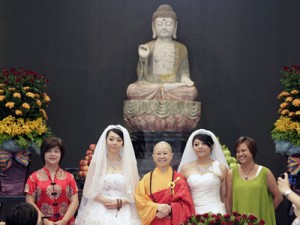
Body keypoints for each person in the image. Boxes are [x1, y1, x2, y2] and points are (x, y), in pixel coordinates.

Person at [126, 4, 197, 101]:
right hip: (152, 85)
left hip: (173, 85)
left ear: (175, 26)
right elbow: (141, 78)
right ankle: (163, 89)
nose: (164, 27)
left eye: (168, 24)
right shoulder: (148, 46)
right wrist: (143, 58)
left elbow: (184, 73)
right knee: (132, 90)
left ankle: (166, 89)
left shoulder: (181, 48)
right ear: (153, 26)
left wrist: (185, 79)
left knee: (192, 92)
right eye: (159, 24)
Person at [75, 125, 141, 225]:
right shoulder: (97, 163)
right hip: (99, 206)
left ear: (123, 143)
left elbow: (136, 191)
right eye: (111, 139)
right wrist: (105, 200)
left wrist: (121, 202)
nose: (115, 143)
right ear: (105, 141)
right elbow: (88, 189)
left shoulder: (129, 164)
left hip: (123, 208)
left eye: (119, 140)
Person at [135, 141, 195, 225]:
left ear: (171, 156)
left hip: (173, 221)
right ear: (153, 156)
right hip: (154, 221)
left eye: (165, 153)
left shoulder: (178, 179)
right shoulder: (146, 178)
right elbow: (139, 200)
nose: (162, 156)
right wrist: (157, 207)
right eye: (158, 153)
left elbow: (187, 204)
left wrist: (171, 209)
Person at [226, 136, 283, 225]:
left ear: (252, 151)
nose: (240, 154)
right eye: (238, 151)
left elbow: (278, 197)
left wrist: (266, 213)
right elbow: (228, 200)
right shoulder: (231, 173)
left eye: (243, 150)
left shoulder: (265, 172)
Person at [24, 137, 79, 225]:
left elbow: (75, 201)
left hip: (66, 222)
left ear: (61, 154)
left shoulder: (69, 177)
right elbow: (30, 202)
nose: (52, 154)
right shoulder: (33, 177)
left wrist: (64, 221)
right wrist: (44, 220)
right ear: (43, 154)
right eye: (49, 151)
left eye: (56, 151)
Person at [177, 129, 229, 214]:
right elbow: (182, 194)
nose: (200, 147)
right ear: (192, 148)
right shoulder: (185, 169)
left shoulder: (221, 168)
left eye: (204, 143)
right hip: (193, 213)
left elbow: (224, 196)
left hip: (217, 212)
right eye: (196, 144)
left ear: (211, 146)